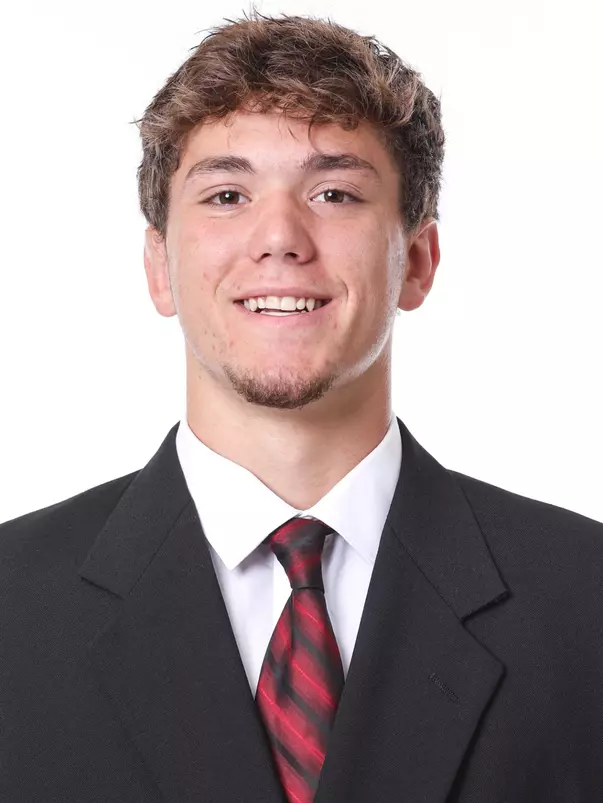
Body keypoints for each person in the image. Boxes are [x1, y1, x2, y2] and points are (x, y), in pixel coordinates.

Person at [1, 10, 602, 803]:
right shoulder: (13, 605)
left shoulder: (584, 599)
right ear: (159, 267)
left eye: (333, 192)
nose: (279, 236)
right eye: (225, 193)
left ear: (416, 261)